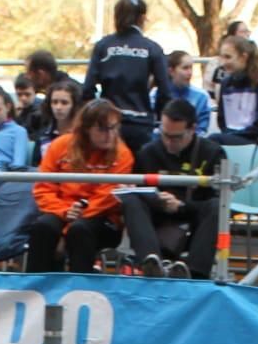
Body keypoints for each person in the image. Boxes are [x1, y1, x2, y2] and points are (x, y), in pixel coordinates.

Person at [27, 99, 132, 273]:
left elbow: (107, 196)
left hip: (102, 218)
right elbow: (43, 188)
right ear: (86, 129)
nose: (110, 135)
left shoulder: (123, 154)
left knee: (79, 230)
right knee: (42, 227)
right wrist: (64, 212)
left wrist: (65, 232)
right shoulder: (60, 145)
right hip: (62, 211)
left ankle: (80, 290)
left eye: (114, 128)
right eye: (102, 129)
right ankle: (35, 288)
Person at [123, 99, 223, 280]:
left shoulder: (213, 153)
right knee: (131, 199)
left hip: (193, 215)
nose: (169, 142)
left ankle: (195, 273)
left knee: (217, 206)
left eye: (176, 137)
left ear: (192, 129)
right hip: (157, 215)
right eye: (164, 135)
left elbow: (219, 199)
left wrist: (182, 206)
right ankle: (150, 264)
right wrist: (155, 200)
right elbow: (138, 190)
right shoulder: (148, 152)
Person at [82, 0, 171, 153]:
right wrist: (156, 116)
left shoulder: (103, 46)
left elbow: (88, 88)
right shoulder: (152, 49)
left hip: (107, 124)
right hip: (141, 124)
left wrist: (95, 117)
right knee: (137, 174)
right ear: (142, 18)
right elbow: (165, 91)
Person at [212, 35, 258, 145]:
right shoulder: (226, 84)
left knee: (214, 140)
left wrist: (232, 135)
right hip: (234, 136)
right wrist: (229, 133)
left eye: (228, 57)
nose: (223, 63)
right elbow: (222, 120)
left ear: (243, 57)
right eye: (221, 57)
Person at [32, 79, 82, 166]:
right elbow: (36, 166)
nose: (58, 107)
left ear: (74, 105)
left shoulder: (83, 135)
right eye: (54, 102)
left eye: (64, 103)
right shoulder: (43, 136)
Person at [161, 51, 212, 135]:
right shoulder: (156, 94)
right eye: (185, 68)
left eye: (191, 68)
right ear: (171, 71)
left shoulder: (202, 96)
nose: (190, 73)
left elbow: (202, 130)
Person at [208, 21, 251, 99]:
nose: (247, 35)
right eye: (243, 32)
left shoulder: (254, 66)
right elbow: (217, 95)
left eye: (247, 31)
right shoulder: (220, 68)